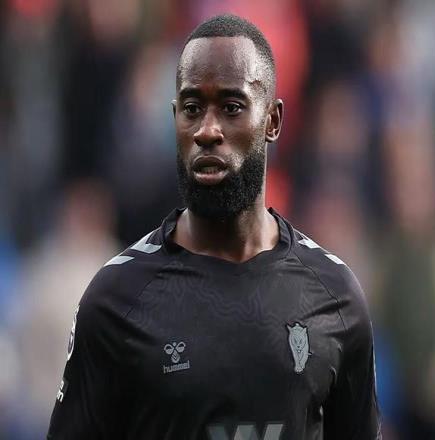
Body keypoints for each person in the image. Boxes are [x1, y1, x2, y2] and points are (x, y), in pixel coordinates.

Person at [47, 14, 381, 440]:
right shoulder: (116, 300)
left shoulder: (334, 296)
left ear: (273, 121)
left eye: (231, 107)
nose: (207, 130)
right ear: (175, 120)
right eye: (192, 109)